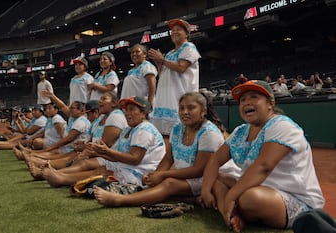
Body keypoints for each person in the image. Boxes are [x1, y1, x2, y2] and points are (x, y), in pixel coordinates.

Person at [201, 80, 324, 232]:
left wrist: (231, 196)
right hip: (254, 187)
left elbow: (263, 167)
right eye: (242, 100)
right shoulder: (241, 130)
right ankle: (232, 215)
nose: (246, 102)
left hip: (292, 198)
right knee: (215, 178)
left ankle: (232, 207)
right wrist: (206, 190)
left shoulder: (281, 125)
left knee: (249, 198)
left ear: (270, 103)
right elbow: (215, 160)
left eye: (254, 97)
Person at [93, 92, 239, 206]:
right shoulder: (177, 128)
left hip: (211, 178)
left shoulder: (209, 133)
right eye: (181, 108)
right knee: (159, 182)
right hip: (190, 176)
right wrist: (155, 174)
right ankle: (192, 199)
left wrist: (163, 175)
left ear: (203, 111)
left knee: (169, 183)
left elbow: (199, 170)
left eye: (191, 108)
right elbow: (169, 158)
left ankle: (120, 200)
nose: (185, 112)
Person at [40, 96, 165, 189]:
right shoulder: (129, 128)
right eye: (126, 110)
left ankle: (60, 178)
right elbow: (119, 155)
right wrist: (101, 152)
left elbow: (135, 159)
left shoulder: (144, 129)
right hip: (130, 166)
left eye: (132, 109)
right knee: (101, 169)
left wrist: (106, 151)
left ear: (143, 113)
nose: (127, 113)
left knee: (104, 172)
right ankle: (59, 175)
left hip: (143, 173)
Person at [148, 18, 200, 146]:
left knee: (179, 137)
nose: (175, 32)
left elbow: (181, 67)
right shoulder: (170, 53)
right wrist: (158, 62)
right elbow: (163, 73)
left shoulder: (189, 47)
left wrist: (163, 60)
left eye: (179, 30)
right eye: (173, 30)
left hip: (180, 97)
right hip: (165, 98)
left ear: (187, 33)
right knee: (164, 137)